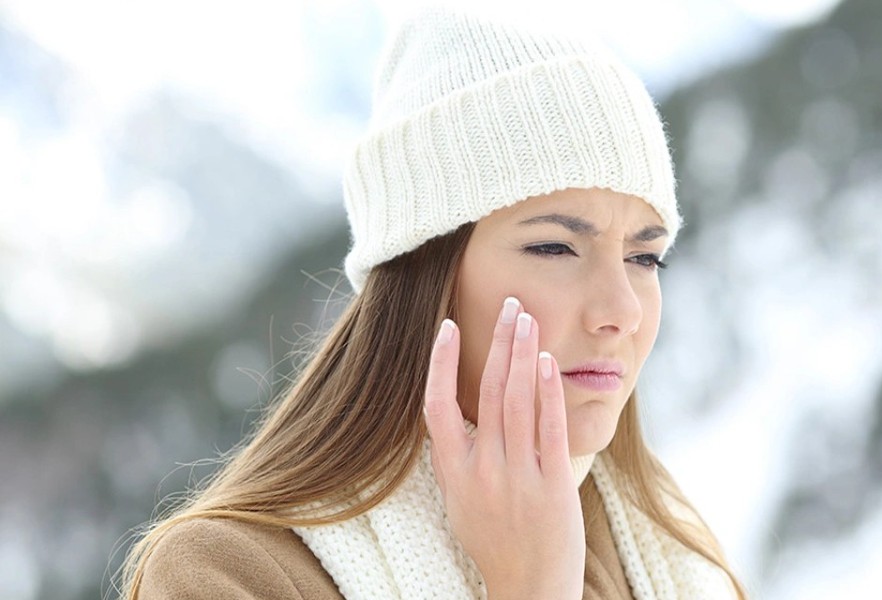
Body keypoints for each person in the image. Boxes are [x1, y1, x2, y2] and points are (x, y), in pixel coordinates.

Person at [121, 6, 746, 599]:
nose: (623, 311)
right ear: (425, 274)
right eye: (555, 248)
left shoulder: (669, 552)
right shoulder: (226, 575)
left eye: (645, 257)